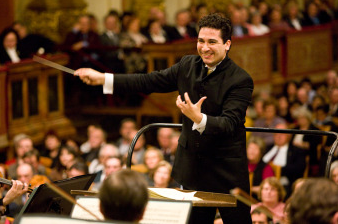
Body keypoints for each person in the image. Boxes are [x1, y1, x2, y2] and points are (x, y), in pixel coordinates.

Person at [75, 13, 254, 224]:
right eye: (201, 41)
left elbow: (230, 124)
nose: (204, 48)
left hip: (227, 173)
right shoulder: (187, 64)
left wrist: (200, 119)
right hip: (193, 171)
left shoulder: (241, 79)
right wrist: (104, 78)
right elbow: (148, 81)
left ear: (227, 44)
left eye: (212, 42)